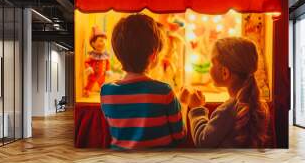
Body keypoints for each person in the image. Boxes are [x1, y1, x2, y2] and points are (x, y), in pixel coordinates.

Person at [100, 14, 186, 150]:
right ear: (154, 55)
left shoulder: (106, 92)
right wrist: (185, 105)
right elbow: (179, 135)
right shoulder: (164, 91)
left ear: (117, 55)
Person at [181, 37, 271, 148]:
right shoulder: (259, 105)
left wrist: (196, 108)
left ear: (225, 73)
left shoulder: (227, 110)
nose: (210, 68)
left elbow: (203, 142)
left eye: (212, 64)